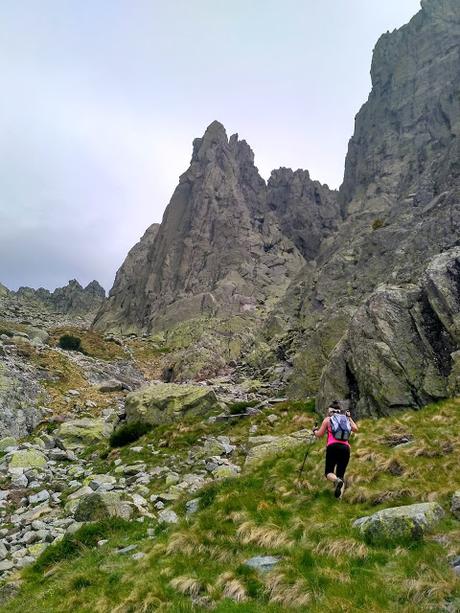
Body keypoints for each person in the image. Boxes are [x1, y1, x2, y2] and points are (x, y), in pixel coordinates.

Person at [313, 400, 358, 498]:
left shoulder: (328, 419)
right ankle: (339, 499)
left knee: (328, 472)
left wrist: (314, 430)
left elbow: (319, 435)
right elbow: (355, 429)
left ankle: (336, 481)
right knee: (341, 474)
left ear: (330, 411)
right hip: (346, 448)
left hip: (332, 447)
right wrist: (349, 417)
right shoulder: (345, 419)